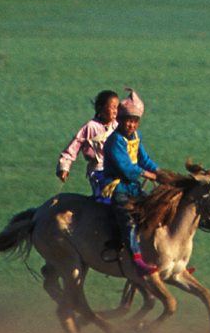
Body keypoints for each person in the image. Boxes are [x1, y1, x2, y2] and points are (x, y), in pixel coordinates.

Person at [98, 88, 161, 274]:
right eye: (128, 121)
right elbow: (126, 167)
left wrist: (159, 171)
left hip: (133, 186)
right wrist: (147, 175)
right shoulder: (115, 140)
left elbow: (143, 159)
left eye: (135, 122)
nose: (132, 125)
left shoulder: (136, 136)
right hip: (118, 187)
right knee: (129, 219)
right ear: (120, 120)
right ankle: (136, 259)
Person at [56, 88, 120, 201]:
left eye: (117, 107)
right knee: (104, 199)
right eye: (112, 107)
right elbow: (74, 146)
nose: (115, 111)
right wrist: (64, 167)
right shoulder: (91, 126)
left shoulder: (117, 126)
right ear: (100, 109)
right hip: (98, 171)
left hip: (116, 170)